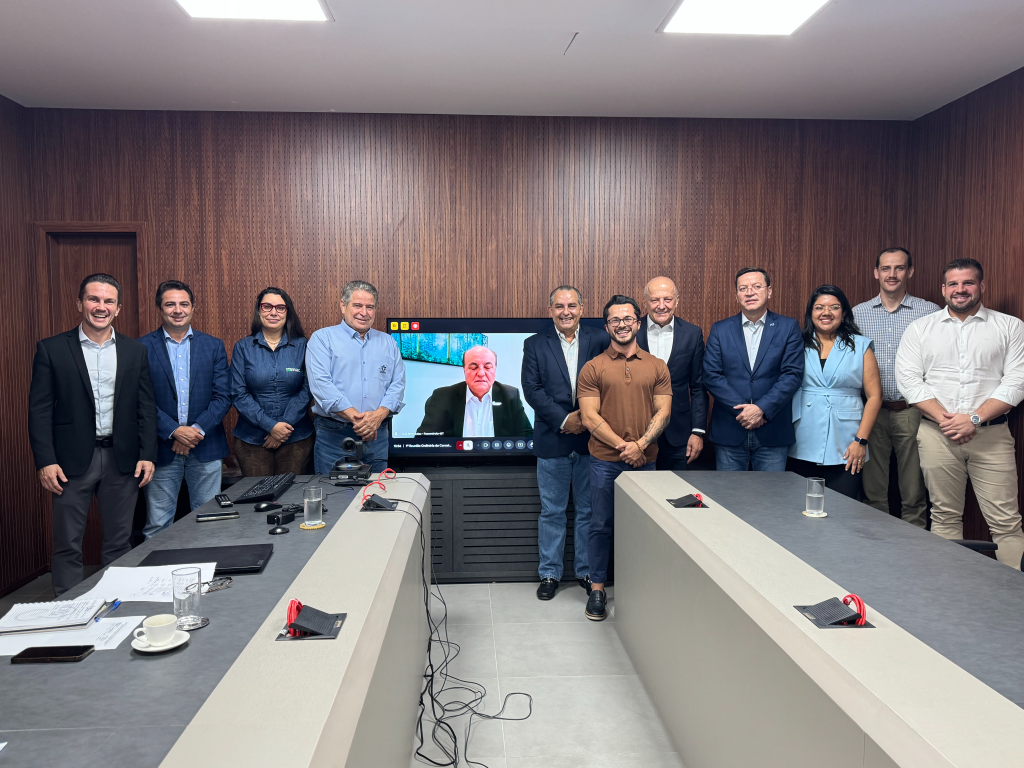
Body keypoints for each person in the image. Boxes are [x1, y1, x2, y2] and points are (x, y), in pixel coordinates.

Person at [28, 274, 157, 596]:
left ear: (118, 308)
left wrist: (148, 454)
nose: (101, 307)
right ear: (80, 304)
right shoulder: (52, 349)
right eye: (93, 299)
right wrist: (45, 461)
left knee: (120, 541)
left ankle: (118, 603)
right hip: (69, 462)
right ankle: (68, 608)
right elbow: (39, 410)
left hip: (122, 460)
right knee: (67, 542)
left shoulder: (135, 351)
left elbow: (145, 407)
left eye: (109, 301)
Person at [896, 258, 1024, 569]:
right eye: (953, 284)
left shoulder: (1010, 327)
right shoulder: (920, 329)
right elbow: (909, 381)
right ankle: (947, 591)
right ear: (943, 289)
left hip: (992, 437)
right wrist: (948, 420)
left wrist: (974, 419)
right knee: (944, 516)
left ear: (982, 286)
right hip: (937, 435)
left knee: (1006, 522)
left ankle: (1015, 594)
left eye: (968, 282)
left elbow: (1017, 381)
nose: (960, 289)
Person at [577, 295, 672, 621]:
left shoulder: (657, 366)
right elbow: (589, 417)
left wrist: (641, 445)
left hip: (647, 461)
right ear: (607, 327)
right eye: (615, 320)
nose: (621, 325)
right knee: (600, 525)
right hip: (605, 461)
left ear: (638, 323)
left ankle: (641, 590)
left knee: (644, 528)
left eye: (627, 319)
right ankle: (598, 590)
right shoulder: (593, 368)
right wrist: (625, 447)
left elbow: (664, 412)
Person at [522, 285, 610, 600]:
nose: (566, 312)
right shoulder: (534, 344)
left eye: (572, 305)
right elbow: (532, 390)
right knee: (552, 512)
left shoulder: (601, 340)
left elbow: (610, 384)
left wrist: (585, 418)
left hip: (593, 440)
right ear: (551, 311)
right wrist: (564, 420)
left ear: (582, 308)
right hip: (552, 439)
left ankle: (586, 572)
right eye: (559, 306)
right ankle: (549, 573)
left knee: (589, 511)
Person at [852, 248, 940, 527]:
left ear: (910, 271)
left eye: (899, 268)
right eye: (886, 268)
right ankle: (875, 543)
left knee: (914, 490)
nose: (892, 274)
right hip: (872, 411)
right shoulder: (857, 314)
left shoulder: (930, 312)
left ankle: (914, 545)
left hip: (912, 410)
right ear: (876, 273)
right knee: (873, 489)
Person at [139, 280, 230, 539]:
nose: (177, 310)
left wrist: (194, 431)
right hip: (161, 448)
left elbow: (223, 396)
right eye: (170, 304)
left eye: (184, 304)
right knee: (158, 525)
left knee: (210, 523)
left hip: (206, 447)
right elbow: (140, 399)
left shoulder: (213, 345)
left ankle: (208, 568)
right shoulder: (140, 347)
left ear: (193, 307)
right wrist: (175, 431)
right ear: (159, 308)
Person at [703, 268, 804, 471]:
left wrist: (761, 409)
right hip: (730, 429)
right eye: (743, 288)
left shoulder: (788, 327)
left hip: (773, 429)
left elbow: (792, 374)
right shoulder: (720, 329)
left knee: (770, 491)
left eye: (757, 286)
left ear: (769, 291)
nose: (750, 292)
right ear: (736, 295)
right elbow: (711, 375)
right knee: (729, 491)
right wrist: (745, 411)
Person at [789, 285, 883, 499]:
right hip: (802, 435)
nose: (826, 312)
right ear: (810, 312)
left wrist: (861, 441)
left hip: (847, 440)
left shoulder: (861, 345)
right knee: (799, 506)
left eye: (834, 307)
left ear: (844, 312)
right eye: (819, 307)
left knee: (843, 508)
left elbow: (875, 397)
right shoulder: (796, 343)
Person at [307, 280, 406, 474]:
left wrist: (377, 417)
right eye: (358, 305)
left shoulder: (388, 343)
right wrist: (361, 421)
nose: (364, 312)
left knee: (376, 489)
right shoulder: (322, 339)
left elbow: (398, 384)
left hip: (377, 434)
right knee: (333, 491)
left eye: (370, 307)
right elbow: (321, 385)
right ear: (343, 305)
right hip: (334, 435)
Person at [230, 287, 313, 476]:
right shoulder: (243, 347)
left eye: (280, 308)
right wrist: (270, 426)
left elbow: (308, 389)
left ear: (287, 312)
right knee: (258, 493)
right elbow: (238, 393)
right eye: (267, 306)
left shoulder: (303, 346)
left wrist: (284, 425)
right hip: (252, 439)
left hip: (296, 437)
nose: (273, 312)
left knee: (292, 494)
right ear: (259, 311)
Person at [636, 276, 708, 470]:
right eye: (655, 300)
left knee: (674, 487)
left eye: (667, 299)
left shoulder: (692, 334)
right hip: (636, 432)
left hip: (678, 433)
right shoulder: (632, 331)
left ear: (677, 300)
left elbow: (698, 387)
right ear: (645, 302)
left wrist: (697, 432)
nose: (661, 306)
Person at [417, 346, 533, 438]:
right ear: (464, 370)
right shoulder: (443, 397)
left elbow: (526, 436)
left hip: (498, 460)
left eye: (488, 367)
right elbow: (425, 440)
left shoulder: (510, 396)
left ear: (495, 370)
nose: (481, 373)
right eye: (473, 367)